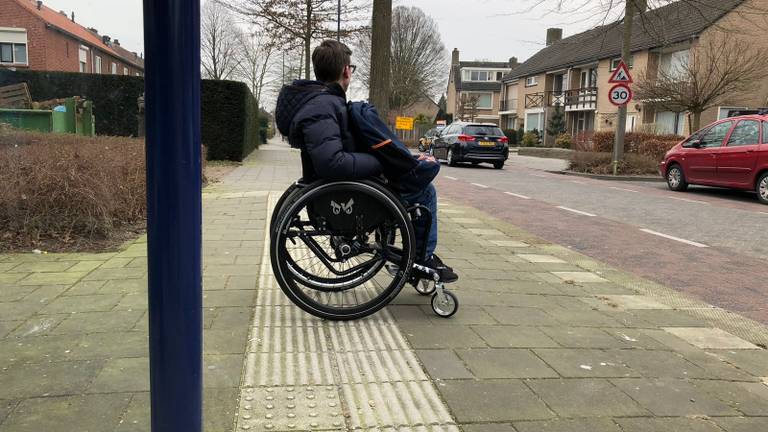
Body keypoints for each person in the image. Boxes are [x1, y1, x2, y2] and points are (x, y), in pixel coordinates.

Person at [275, 40, 457, 282]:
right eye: (352, 68)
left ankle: (416, 256)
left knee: (414, 179)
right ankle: (421, 260)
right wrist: (378, 162)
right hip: (347, 196)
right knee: (424, 192)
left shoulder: (320, 102)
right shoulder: (323, 106)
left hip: (344, 188)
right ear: (346, 71)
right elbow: (332, 163)